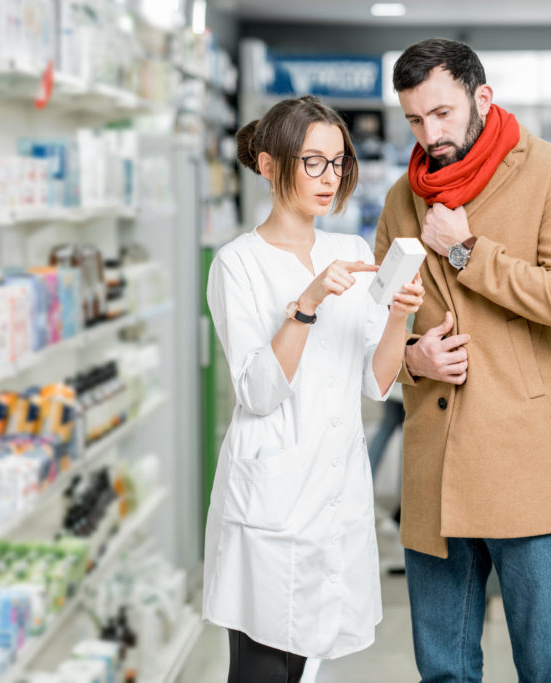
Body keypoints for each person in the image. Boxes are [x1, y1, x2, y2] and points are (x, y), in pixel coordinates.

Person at [375, 39, 551, 682]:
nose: (430, 134)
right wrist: (414, 358)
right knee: (443, 673)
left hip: (524, 464)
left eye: (442, 114)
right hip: (434, 467)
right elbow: (380, 327)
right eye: (415, 120)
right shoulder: (400, 199)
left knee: (547, 669)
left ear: (482, 97)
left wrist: (468, 249)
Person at [201, 94, 425, 683]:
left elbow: (376, 384)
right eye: (312, 163)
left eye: (338, 162)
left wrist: (400, 315)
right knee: (261, 670)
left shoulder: (350, 252)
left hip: (332, 494)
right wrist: (306, 305)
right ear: (271, 165)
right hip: (270, 501)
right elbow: (257, 392)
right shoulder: (237, 264)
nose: (330, 179)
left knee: (304, 668)